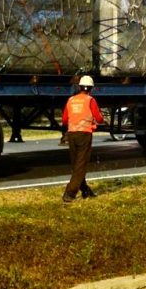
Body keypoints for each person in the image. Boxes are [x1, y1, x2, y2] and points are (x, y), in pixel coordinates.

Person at [61, 75, 104, 203]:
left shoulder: (71, 100)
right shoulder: (90, 100)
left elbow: (64, 119)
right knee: (81, 165)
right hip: (84, 134)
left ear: (79, 87)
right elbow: (99, 117)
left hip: (72, 134)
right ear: (91, 88)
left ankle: (85, 190)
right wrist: (101, 120)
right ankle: (69, 194)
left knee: (76, 164)